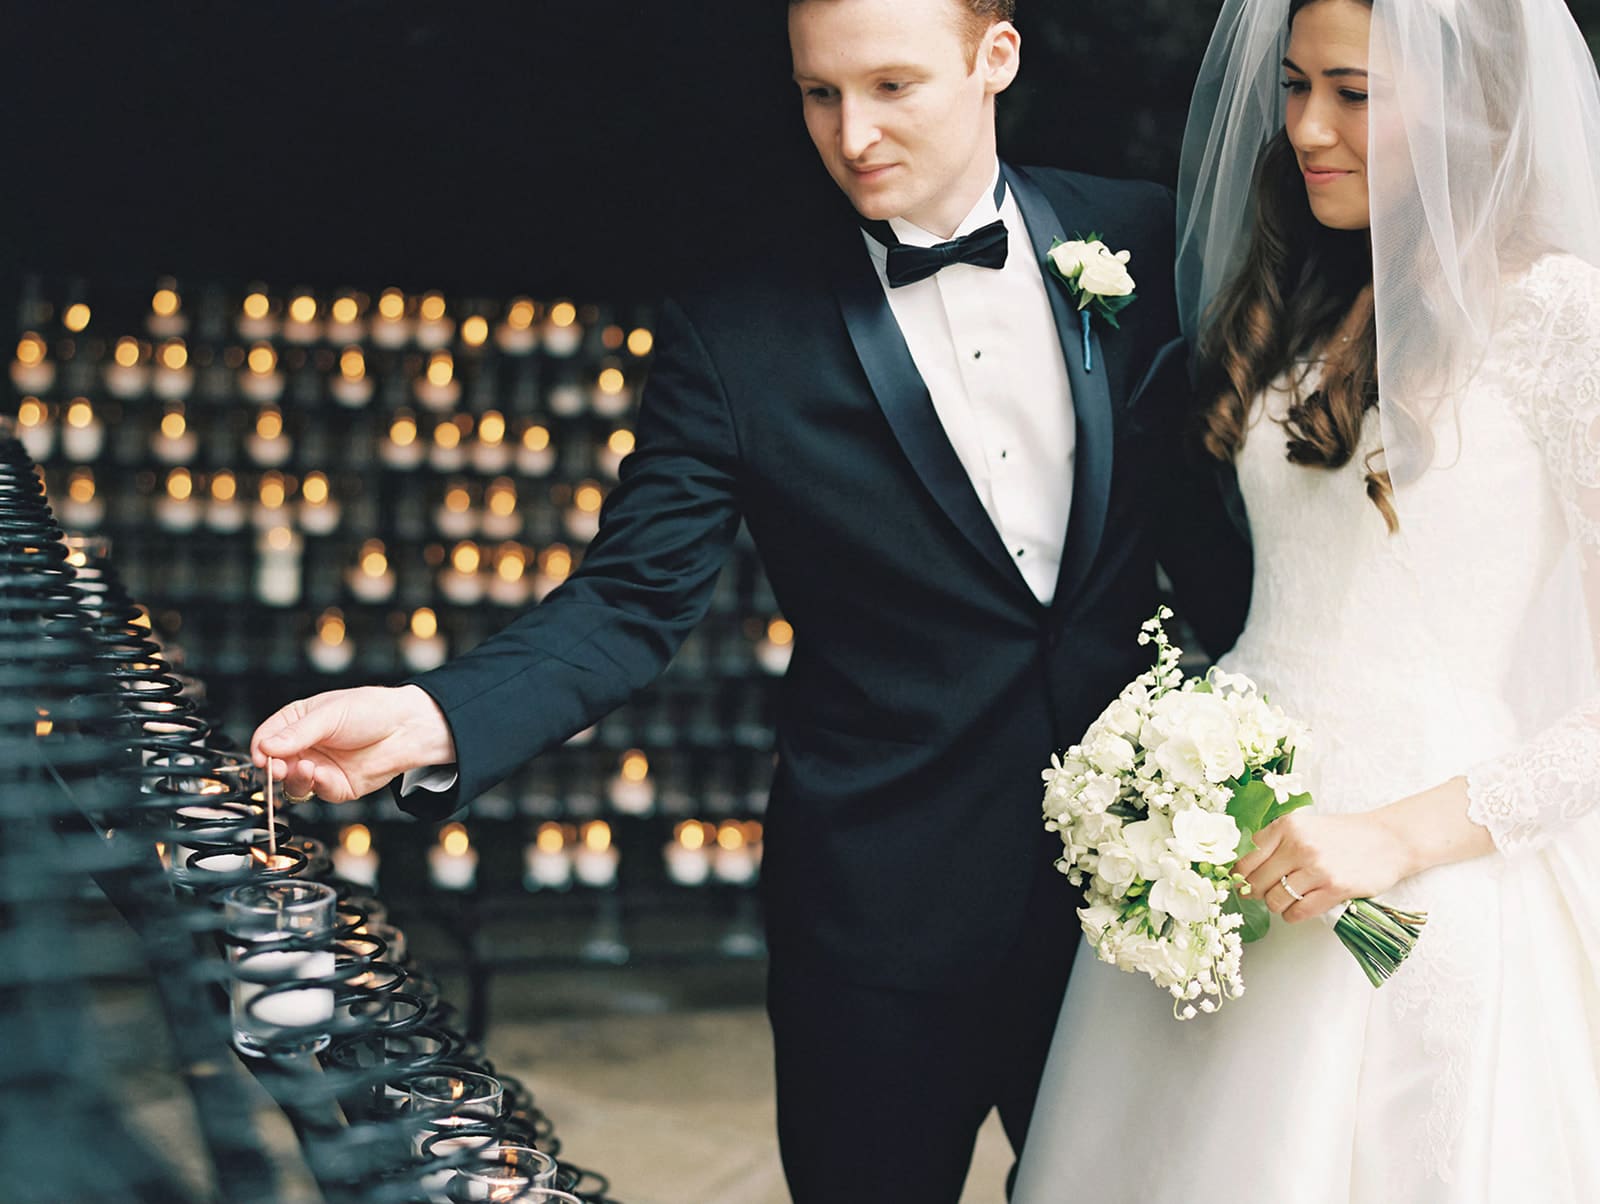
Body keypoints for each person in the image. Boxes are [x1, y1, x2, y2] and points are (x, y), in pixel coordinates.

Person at [251, 0, 1249, 1197]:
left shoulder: (1143, 236)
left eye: (891, 86)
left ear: (996, 60)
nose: (853, 132)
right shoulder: (736, 335)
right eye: (819, 94)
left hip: (1136, 905)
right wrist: (433, 718)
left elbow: (1217, 543)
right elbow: (627, 601)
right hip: (878, 923)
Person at [1014, 0, 1600, 1199]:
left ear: (1471, 107)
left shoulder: (1558, 320)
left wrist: (1391, 836)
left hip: (1422, 870)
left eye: (1353, 92)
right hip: (1222, 848)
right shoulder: (1299, 292)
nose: (1303, 129)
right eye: (1292, 86)